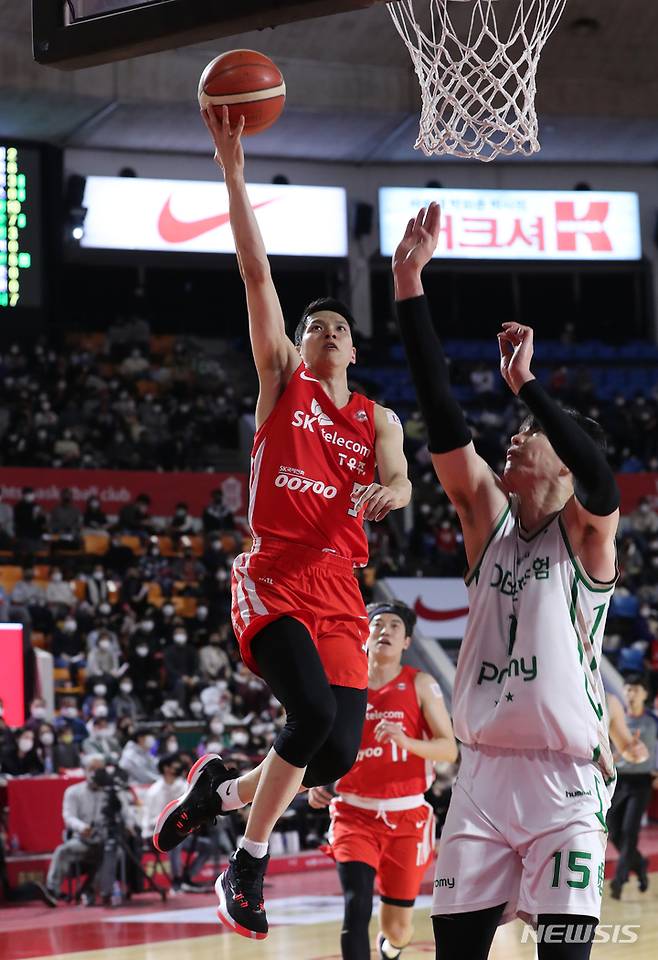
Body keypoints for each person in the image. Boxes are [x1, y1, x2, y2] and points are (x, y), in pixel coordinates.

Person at [153, 104, 411, 941]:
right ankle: (247, 865)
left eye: (337, 327)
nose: (324, 333)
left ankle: (220, 791)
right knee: (307, 718)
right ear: (299, 350)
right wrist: (233, 174)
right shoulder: (281, 384)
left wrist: (390, 495)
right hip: (273, 573)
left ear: (354, 351)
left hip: (340, 585)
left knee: (333, 754)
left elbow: (404, 482)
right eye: (313, 329)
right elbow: (256, 275)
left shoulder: (377, 420)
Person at [394, 204, 621, 959]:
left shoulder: (586, 538)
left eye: (529, 436)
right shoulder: (488, 518)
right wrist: (408, 285)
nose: (513, 438)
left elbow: (602, 482)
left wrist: (527, 388)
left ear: (562, 460)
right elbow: (442, 419)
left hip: (564, 787)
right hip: (483, 780)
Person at [308, 601, 457, 960]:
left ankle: (391, 948)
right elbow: (315, 737)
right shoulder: (343, 685)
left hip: (406, 817)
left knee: (398, 928)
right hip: (352, 813)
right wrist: (315, 778)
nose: (385, 631)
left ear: (406, 642)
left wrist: (407, 742)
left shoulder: (420, 684)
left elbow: (449, 749)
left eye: (394, 626)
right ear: (365, 635)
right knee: (355, 906)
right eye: (377, 624)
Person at [606, 674, 658, 899]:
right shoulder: (616, 719)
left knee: (629, 832)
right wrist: (620, 754)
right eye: (627, 689)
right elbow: (606, 752)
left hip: (642, 782)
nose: (630, 693)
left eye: (636, 689)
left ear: (645, 694)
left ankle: (619, 880)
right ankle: (640, 863)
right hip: (618, 781)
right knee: (614, 831)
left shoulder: (652, 721)